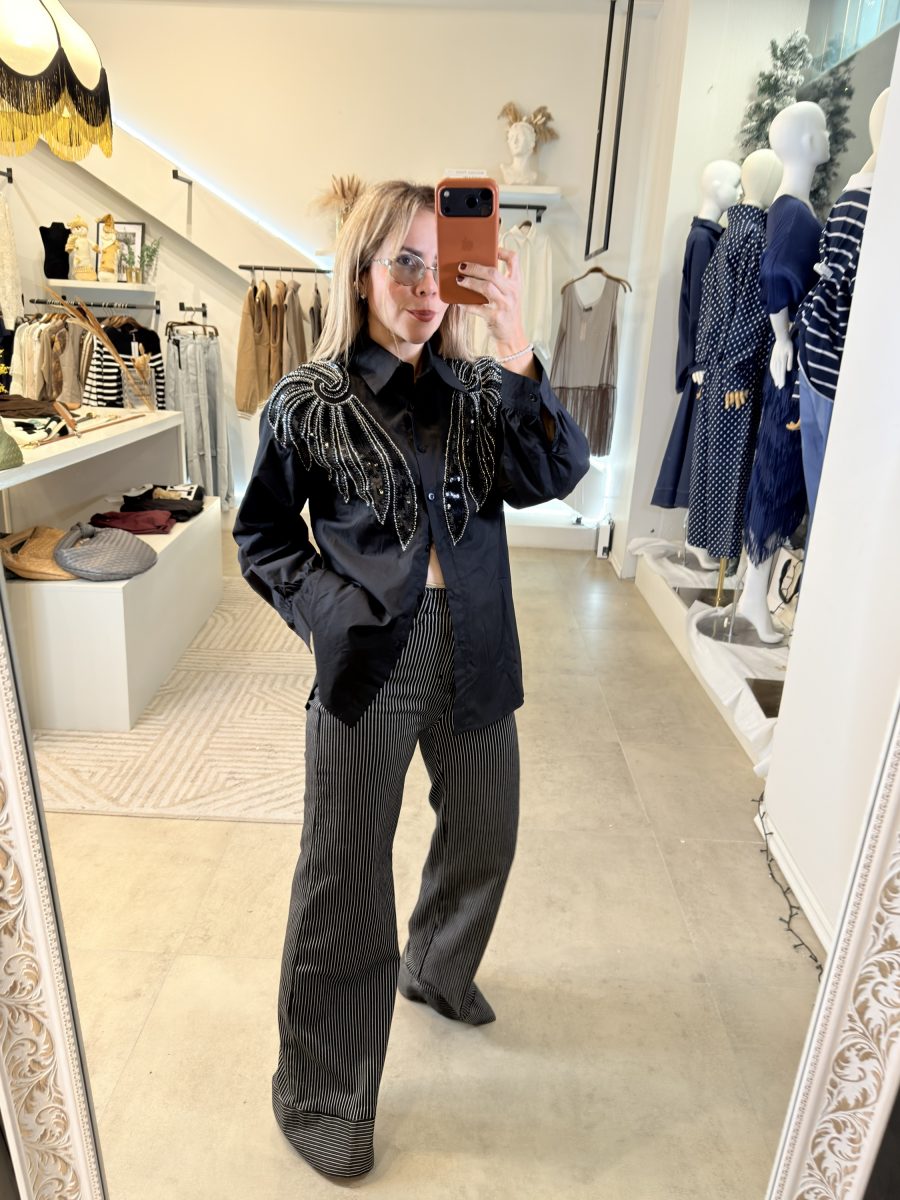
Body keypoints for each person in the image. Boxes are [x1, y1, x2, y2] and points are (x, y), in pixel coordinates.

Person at [233, 179, 590, 1180]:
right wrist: (331, 613)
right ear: (360, 273)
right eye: (404, 264)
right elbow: (263, 536)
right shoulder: (310, 402)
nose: (427, 288)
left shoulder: (479, 390)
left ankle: (436, 966)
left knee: (486, 826)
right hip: (370, 656)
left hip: (478, 643)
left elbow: (559, 472)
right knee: (346, 877)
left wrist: (517, 349)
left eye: (443, 267)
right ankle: (321, 1093)